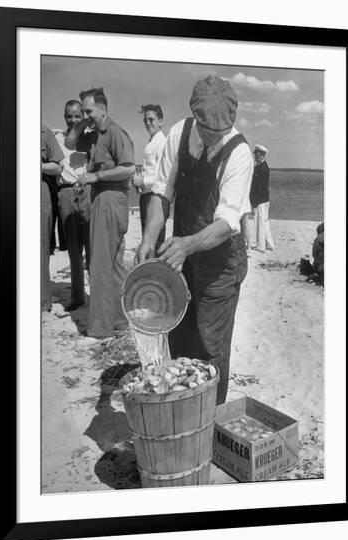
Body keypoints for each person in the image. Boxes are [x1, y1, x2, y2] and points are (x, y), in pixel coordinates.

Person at [136, 75, 253, 404]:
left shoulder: (239, 153)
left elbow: (228, 222)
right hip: (182, 258)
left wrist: (186, 245)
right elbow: (161, 193)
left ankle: (210, 421)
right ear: (196, 119)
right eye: (208, 132)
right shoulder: (178, 132)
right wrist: (149, 238)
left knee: (210, 347)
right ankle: (185, 413)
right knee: (181, 337)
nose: (215, 139)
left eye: (221, 133)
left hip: (220, 265)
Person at [67, 87, 135, 339]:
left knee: (100, 264)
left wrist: (96, 175)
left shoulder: (115, 133)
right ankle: (119, 321)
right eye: (83, 112)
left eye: (89, 111)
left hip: (110, 200)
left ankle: (100, 327)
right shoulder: (93, 135)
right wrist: (84, 121)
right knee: (115, 265)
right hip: (102, 200)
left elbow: (128, 169)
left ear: (103, 108)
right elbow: (69, 142)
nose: (85, 116)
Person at [53, 100, 95, 311]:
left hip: (86, 192)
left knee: (92, 245)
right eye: (70, 116)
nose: (74, 120)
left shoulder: (90, 137)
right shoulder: (57, 137)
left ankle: (97, 295)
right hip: (66, 192)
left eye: (77, 116)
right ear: (64, 117)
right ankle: (77, 297)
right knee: (73, 248)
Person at [132, 104, 167, 250]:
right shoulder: (152, 141)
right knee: (148, 239)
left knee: (154, 241)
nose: (148, 123)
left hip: (155, 197)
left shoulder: (161, 142)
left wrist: (142, 181)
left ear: (160, 121)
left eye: (151, 119)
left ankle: (155, 270)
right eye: (145, 120)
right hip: (146, 195)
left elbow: (163, 175)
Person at [41, 124, 63, 312]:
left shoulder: (44, 132)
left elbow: (57, 167)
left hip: (40, 190)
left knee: (40, 249)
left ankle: (42, 301)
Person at [249, 144, 275, 252]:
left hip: (261, 200)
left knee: (260, 223)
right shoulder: (259, 167)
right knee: (264, 222)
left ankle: (261, 246)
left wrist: (254, 204)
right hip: (263, 199)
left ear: (262, 155)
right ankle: (269, 244)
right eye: (255, 154)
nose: (256, 156)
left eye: (258, 154)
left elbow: (260, 188)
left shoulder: (263, 169)